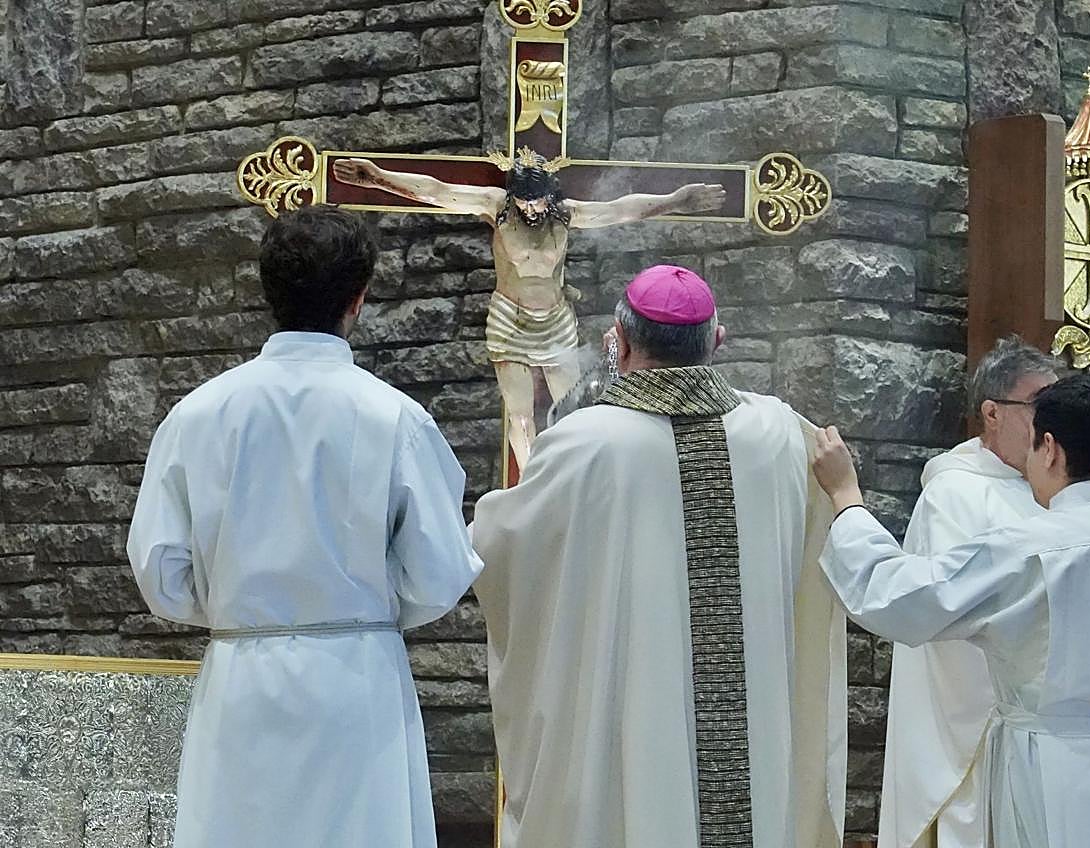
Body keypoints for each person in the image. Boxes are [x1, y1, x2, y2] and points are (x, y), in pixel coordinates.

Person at [127, 205, 484, 848]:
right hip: (358, 681)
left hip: (242, 681)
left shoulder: (197, 414)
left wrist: (242, 604)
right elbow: (438, 572)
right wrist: (361, 604)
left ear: (269, 295)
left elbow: (160, 573)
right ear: (359, 298)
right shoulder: (393, 417)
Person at [471, 265, 848, 848]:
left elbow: (500, 549)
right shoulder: (775, 434)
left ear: (618, 344)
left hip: (629, 721)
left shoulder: (584, 442)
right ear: (717, 342)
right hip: (746, 740)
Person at [814, 373, 1090, 848]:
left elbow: (897, 597)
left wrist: (846, 498)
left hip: (1048, 775)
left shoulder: (1029, 547)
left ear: (1050, 449)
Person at [332, 147, 726, 469]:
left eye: (537, 202)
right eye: (524, 202)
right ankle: (534, 483)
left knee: (577, 410)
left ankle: (577, 475)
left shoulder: (565, 214)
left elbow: (622, 208)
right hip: (510, 321)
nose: (531, 210)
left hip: (554, 323)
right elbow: (435, 190)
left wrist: (676, 201)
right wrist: (377, 177)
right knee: (520, 417)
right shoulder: (496, 206)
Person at [880, 336, 1058, 848]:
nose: (1052, 424)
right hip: (976, 724)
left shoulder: (1050, 487)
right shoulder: (955, 493)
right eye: (1039, 407)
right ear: (992, 412)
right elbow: (950, 616)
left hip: (1041, 725)